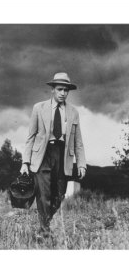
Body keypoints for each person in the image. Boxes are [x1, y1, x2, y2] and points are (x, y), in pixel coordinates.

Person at [20, 72, 87, 237]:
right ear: (53, 90)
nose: (63, 93)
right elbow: (30, 137)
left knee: (59, 194)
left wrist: (81, 164)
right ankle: (44, 232)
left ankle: (45, 223)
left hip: (63, 155)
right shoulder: (39, 108)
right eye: (60, 89)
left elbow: (78, 141)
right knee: (43, 194)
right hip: (42, 155)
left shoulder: (73, 112)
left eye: (66, 90)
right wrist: (25, 162)